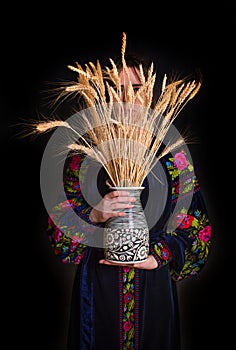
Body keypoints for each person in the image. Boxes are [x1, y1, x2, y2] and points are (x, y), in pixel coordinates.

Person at [45, 35, 212, 350]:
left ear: (149, 93)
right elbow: (59, 237)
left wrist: (157, 257)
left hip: (155, 292)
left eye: (136, 89)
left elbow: (197, 229)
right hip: (97, 294)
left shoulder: (171, 155)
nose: (126, 98)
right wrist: (94, 213)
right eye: (116, 90)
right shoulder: (84, 156)